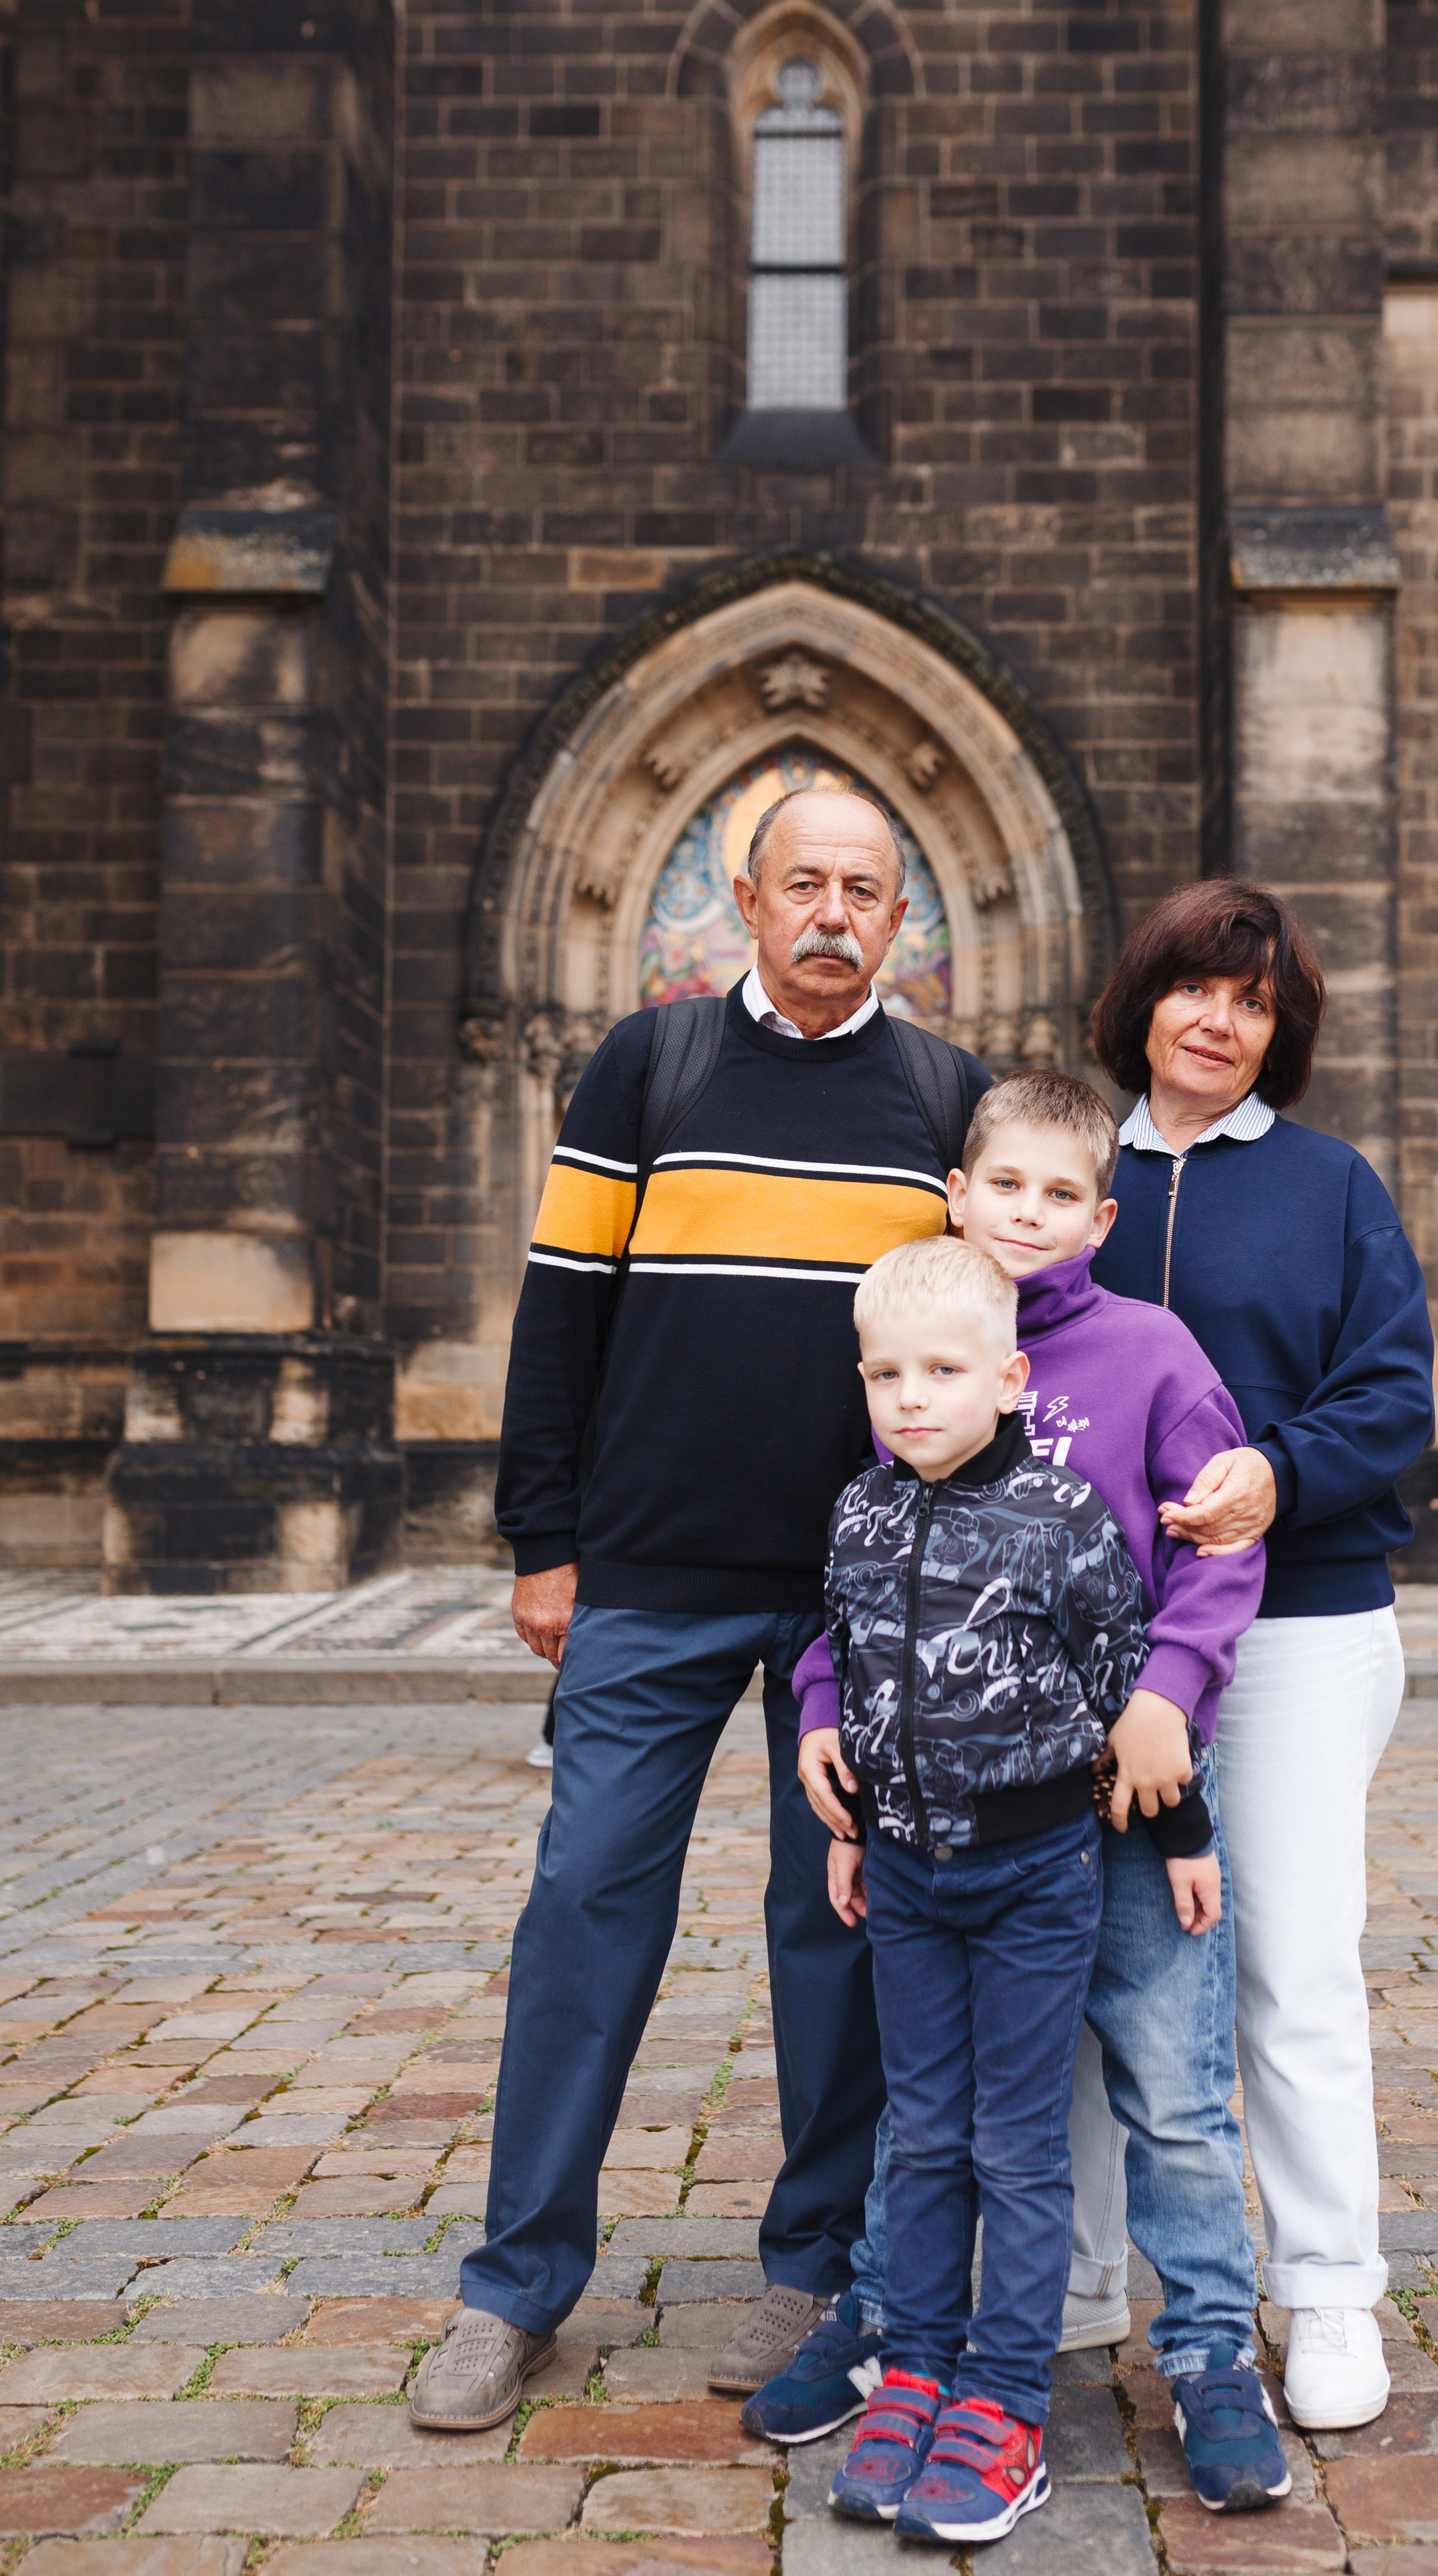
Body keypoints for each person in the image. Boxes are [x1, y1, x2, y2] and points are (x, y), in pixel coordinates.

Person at [410, 787, 989, 2432]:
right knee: (584, 1908)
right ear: (743, 899)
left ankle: (813, 2270)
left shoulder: (939, 1100)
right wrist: (543, 1539)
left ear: (900, 919)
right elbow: (559, 1312)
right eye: (800, 881)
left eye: (863, 890)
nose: (829, 911)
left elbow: (969, 1353)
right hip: (649, 1578)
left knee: (835, 1931)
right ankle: (513, 2284)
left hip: (855, 1599)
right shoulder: (642, 1065)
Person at [765, 1073, 1295, 2516]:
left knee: (1172, 2091)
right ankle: (891, 2325)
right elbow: (864, 1575)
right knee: (924, 2105)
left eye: (1060, 1195)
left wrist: (1163, 1704)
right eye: (1005, 1186)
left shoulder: (1149, 1352)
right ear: (957, 1191)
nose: (1028, 1214)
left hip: (1120, 1777)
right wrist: (824, 1705)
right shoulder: (909, 1342)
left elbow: (1212, 1548)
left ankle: (1203, 2358)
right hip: (948, 1809)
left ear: (1099, 1217)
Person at [1087, 877, 1435, 2431]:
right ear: (1142, 1000)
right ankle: (1086, 2272)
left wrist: (1276, 1473)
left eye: (1253, 1001)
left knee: (1287, 1967)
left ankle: (1327, 2293)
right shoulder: (1062, 1176)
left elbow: (1392, 1398)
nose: (1219, 1020)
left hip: (1296, 1627)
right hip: (1087, 1642)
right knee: (1087, 1956)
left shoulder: (1328, 1184)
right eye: (1195, 988)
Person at [814, 1233, 1185, 2544]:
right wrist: (854, 1821)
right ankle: (912, 2367)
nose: (909, 1398)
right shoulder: (860, 1511)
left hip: (1034, 1877)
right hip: (906, 1875)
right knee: (921, 2134)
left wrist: (1183, 1834)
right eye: (883, 1374)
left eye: (941, 1371)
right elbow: (857, 1668)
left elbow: (1126, 1685)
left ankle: (1003, 2403)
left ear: (1010, 1378)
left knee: (1015, 2148)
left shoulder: (1061, 1518)